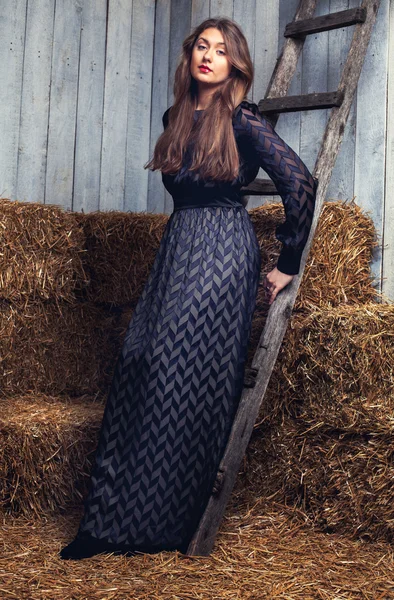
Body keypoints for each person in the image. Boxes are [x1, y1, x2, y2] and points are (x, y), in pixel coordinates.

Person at [59, 16, 317, 560]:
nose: (208, 56)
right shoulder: (175, 116)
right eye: (202, 46)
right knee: (140, 362)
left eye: (221, 51)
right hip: (179, 247)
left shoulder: (243, 120)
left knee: (182, 377)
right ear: (190, 56)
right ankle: (113, 519)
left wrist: (287, 262)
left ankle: (160, 524)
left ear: (234, 65)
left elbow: (300, 181)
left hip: (222, 252)